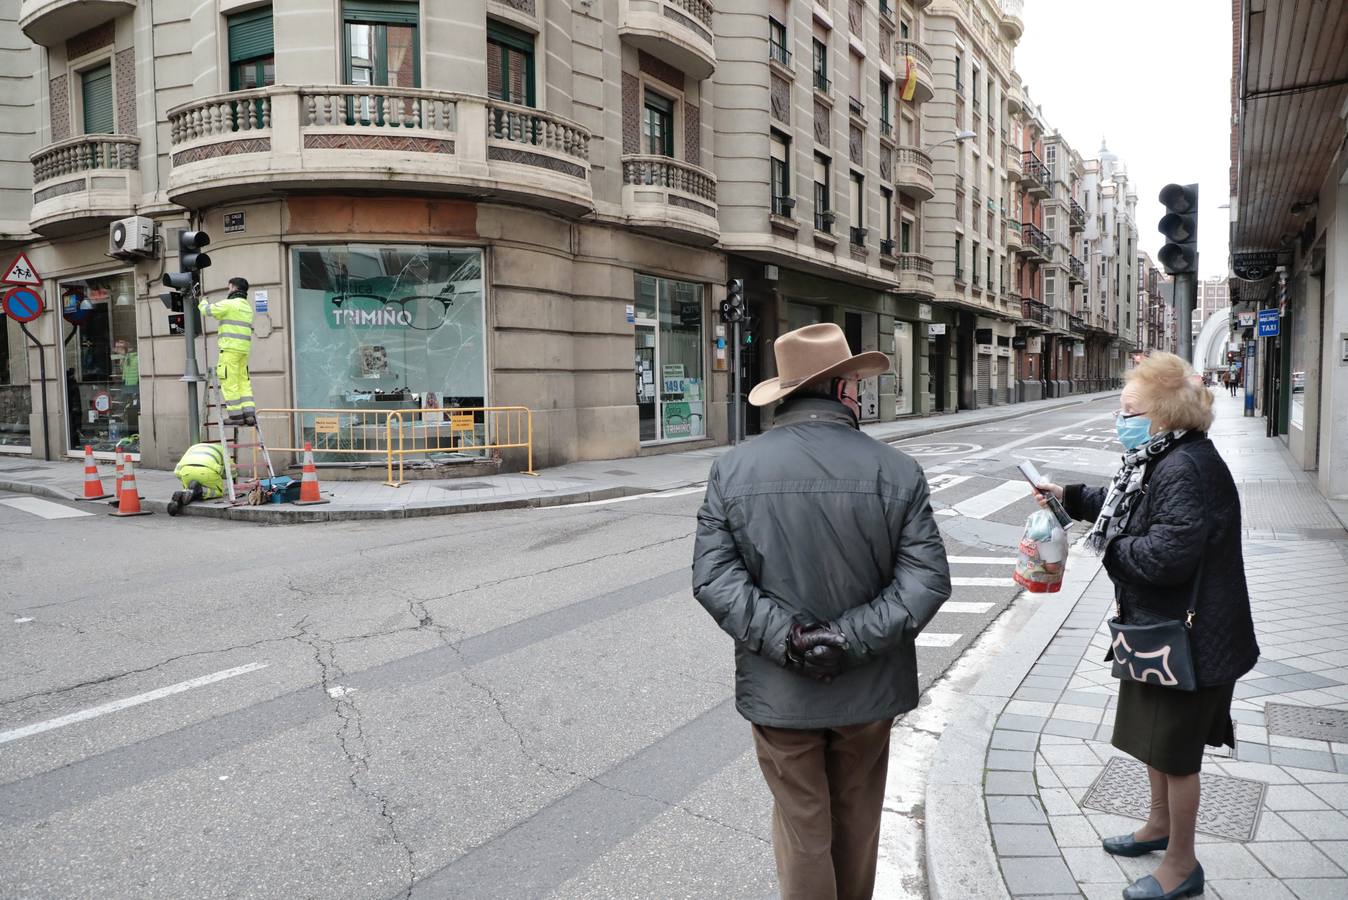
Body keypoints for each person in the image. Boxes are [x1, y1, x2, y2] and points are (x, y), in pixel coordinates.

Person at [692, 322, 952, 900]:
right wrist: (848, 639)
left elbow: (715, 578)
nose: (860, 392)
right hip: (867, 686)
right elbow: (926, 580)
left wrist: (790, 639)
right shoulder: (897, 470)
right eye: (854, 382)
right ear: (838, 390)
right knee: (857, 825)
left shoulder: (733, 468)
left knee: (803, 830)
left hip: (780, 687)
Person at [1033, 352, 1257, 900]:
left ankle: (1182, 865)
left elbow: (1164, 556)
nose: (1119, 418)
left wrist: (1107, 548)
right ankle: (1158, 827)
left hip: (1191, 641)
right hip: (1159, 635)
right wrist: (1067, 497)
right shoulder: (1161, 458)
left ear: (1163, 415)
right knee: (1157, 745)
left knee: (1177, 756)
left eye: (1128, 409)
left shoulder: (1183, 466)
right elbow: (1125, 505)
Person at [200, 277, 255, 425]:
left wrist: (203, 300)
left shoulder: (230, 304)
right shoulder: (247, 307)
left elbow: (207, 311)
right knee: (243, 381)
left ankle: (236, 416)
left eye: (229, 287)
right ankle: (249, 414)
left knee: (229, 381)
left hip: (230, 349)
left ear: (233, 288)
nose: (228, 290)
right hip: (243, 350)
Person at [167, 442, 234, 515]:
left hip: (186, 472)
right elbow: (232, 469)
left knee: (189, 488)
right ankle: (200, 491)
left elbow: (177, 472)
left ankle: (184, 493)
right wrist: (233, 479)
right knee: (219, 491)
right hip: (206, 472)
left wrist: (184, 481)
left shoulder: (193, 447)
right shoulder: (222, 449)